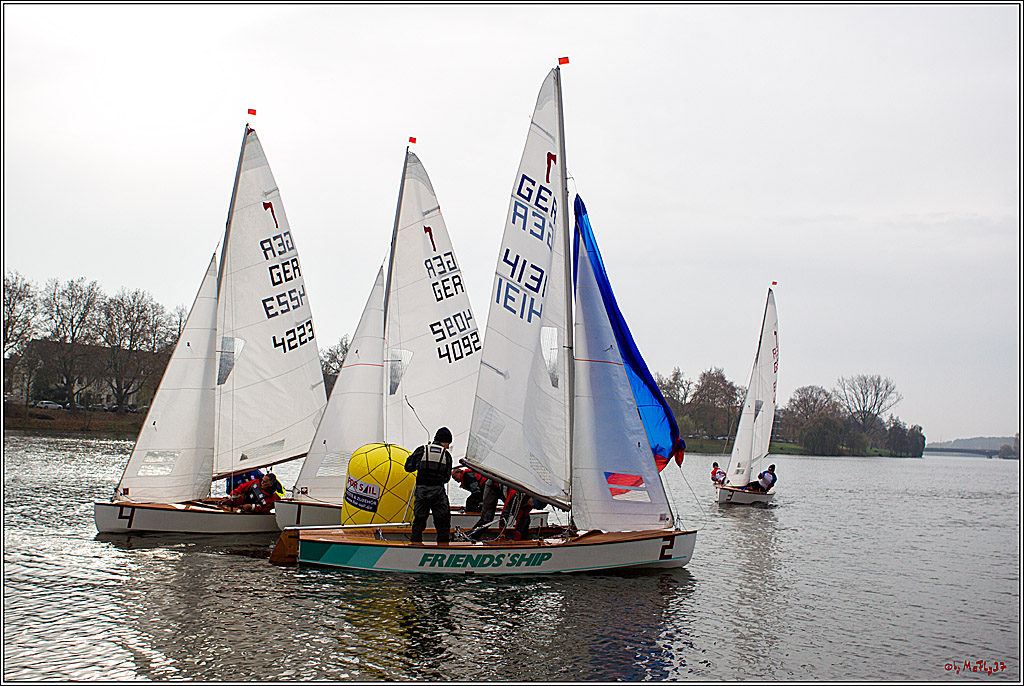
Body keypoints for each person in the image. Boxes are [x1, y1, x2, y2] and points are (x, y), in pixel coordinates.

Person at [404, 427, 454, 544]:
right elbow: (447, 478)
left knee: (419, 521)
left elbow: (408, 467)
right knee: (442, 523)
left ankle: (415, 545)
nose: (447, 447)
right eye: (448, 443)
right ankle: (443, 547)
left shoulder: (421, 450)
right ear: (444, 441)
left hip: (421, 492)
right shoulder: (446, 455)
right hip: (438, 493)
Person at [218, 472, 282, 514]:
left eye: (264, 482)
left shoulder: (273, 497)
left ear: (270, 484)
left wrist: (251, 506)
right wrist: (228, 498)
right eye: (262, 480)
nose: (262, 483)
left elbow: (265, 509)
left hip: (254, 512)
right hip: (242, 502)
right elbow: (241, 488)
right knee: (222, 502)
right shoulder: (255, 483)